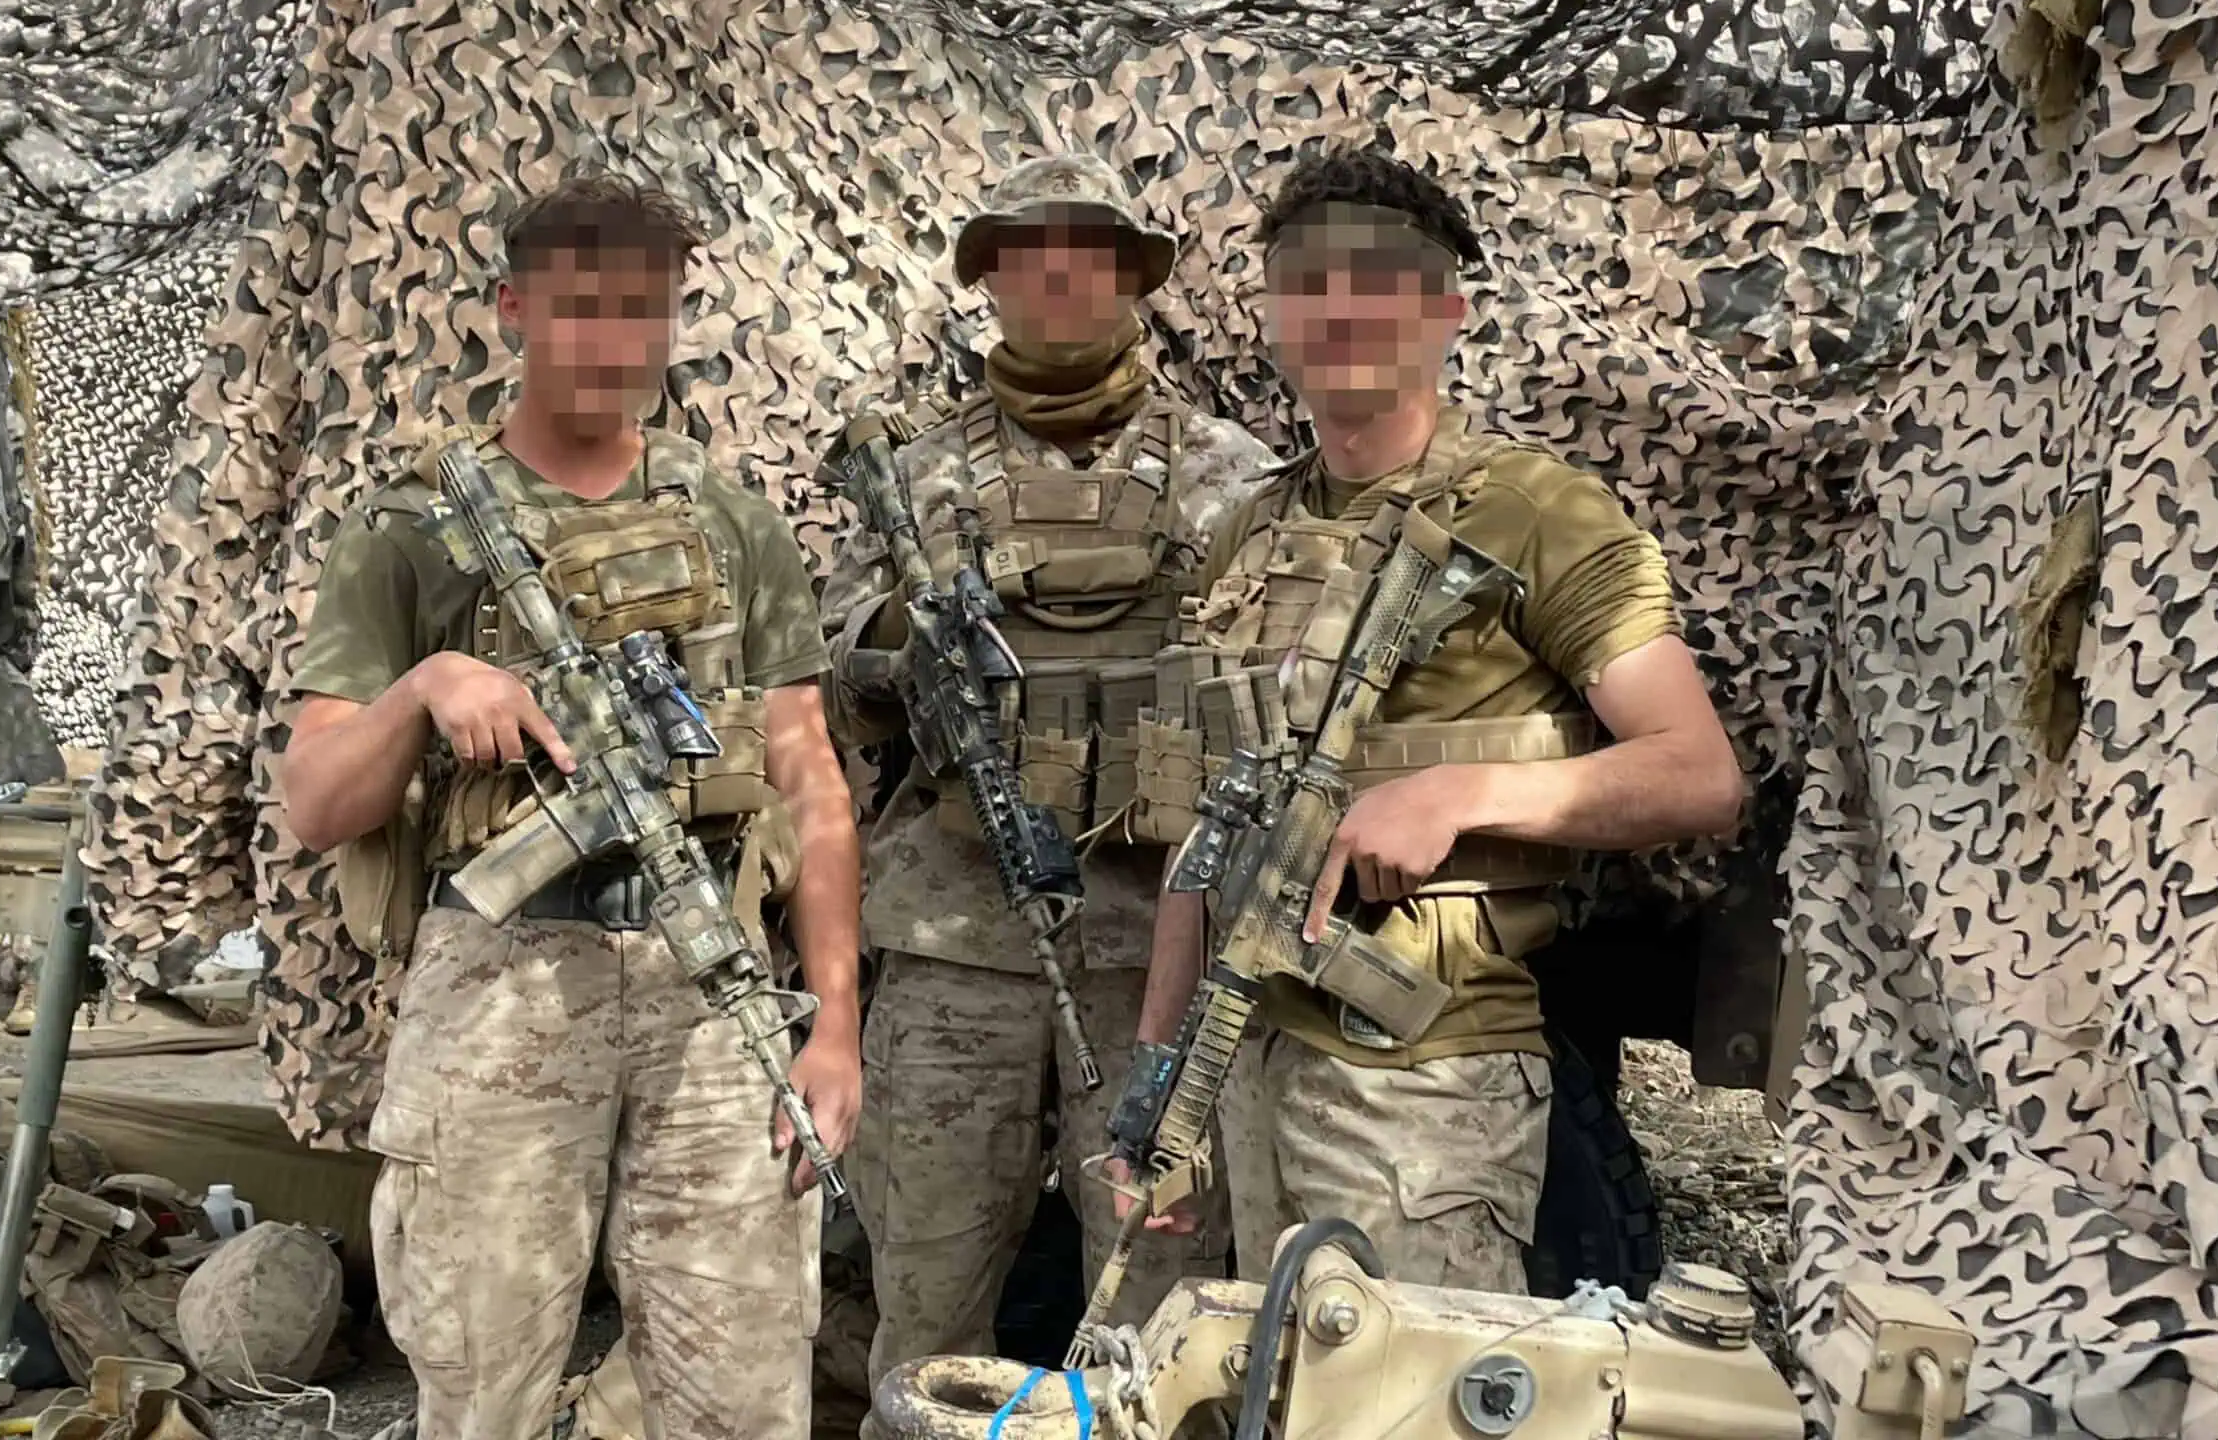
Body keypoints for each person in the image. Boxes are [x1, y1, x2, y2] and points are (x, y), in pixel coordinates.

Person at [278, 175, 863, 1440]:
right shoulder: (414, 529)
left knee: (746, 1386)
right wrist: (427, 689)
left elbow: (809, 778)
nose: (616, 343)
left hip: (709, 985)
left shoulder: (734, 525)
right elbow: (317, 801)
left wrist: (834, 1027)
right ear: (512, 311)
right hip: (500, 985)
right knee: (482, 1382)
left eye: (643, 311)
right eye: (583, 309)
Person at [1115, 141, 1743, 1296]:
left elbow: (1697, 772)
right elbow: (1201, 832)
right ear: (1272, 311)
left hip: (1427, 1076)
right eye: (1306, 278)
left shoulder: (1532, 510)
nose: (1340, 307)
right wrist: (1158, 1079)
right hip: (1249, 1051)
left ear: (1444, 309)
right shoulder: (1244, 529)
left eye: (1381, 278)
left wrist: (1462, 793)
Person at [821, 153, 1276, 1394]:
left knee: (1155, 1320)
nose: (1057, 278)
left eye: (1086, 253)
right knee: (923, 1306)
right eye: (1026, 256)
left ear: (1131, 279)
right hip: (955, 947)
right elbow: (818, 677)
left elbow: (1278, 696)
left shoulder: (1235, 477)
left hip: (1154, 956)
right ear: (990, 284)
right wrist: (894, 649)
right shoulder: (912, 481)